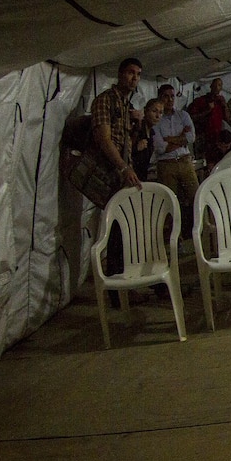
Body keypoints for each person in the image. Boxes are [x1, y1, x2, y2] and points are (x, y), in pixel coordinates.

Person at [90, 57, 144, 301]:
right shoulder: (105, 100)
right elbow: (104, 139)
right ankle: (115, 289)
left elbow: (125, 140)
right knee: (115, 230)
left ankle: (125, 282)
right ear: (120, 74)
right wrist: (123, 168)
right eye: (131, 72)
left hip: (123, 171)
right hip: (110, 172)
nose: (135, 78)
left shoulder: (124, 104)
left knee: (123, 228)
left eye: (139, 74)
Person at [154, 83, 199, 243]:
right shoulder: (156, 118)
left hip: (185, 161)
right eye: (166, 96)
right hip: (166, 164)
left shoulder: (183, 116)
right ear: (160, 98)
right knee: (170, 202)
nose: (170, 99)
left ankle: (197, 232)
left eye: (172, 96)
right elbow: (159, 147)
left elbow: (191, 138)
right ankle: (175, 238)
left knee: (196, 196)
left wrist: (170, 140)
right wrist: (181, 138)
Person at [187, 78, 228, 170]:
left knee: (217, 164)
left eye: (220, 85)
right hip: (203, 137)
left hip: (217, 139)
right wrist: (208, 110)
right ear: (211, 86)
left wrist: (225, 106)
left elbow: (229, 119)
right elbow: (191, 117)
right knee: (202, 164)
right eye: (216, 85)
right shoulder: (200, 101)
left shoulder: (220, 102)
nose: (218, 88)